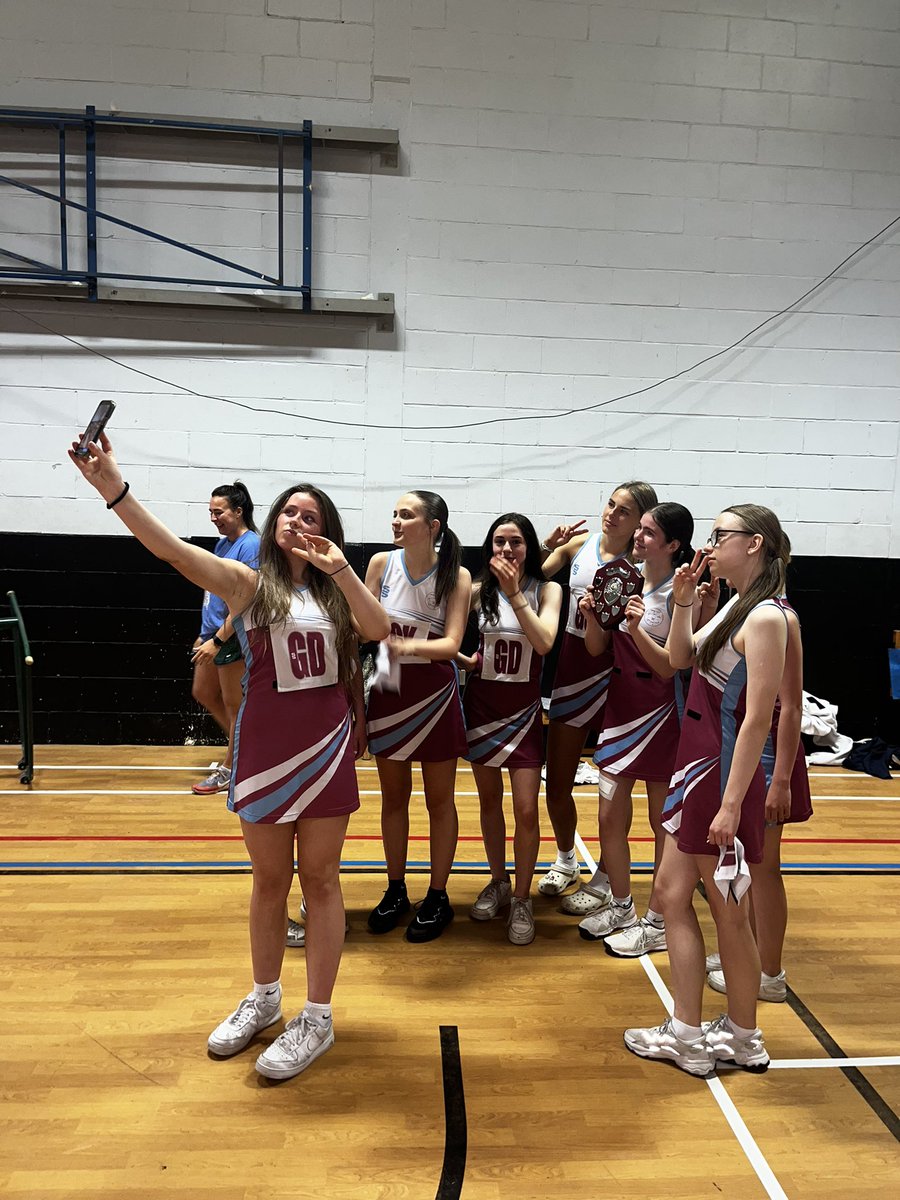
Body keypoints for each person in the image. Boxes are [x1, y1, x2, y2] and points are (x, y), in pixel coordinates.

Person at [69, 434, 389, 1081]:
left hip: (325, 754)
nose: (297, 522)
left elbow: (379, 630)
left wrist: (341, 569)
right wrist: (113, 489)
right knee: (270, 881)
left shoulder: (334, 595)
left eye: (312, 516)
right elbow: (172, 551)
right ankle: (265, 998)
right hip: (266, 756)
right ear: (272, 525)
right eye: (289, 513)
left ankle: (317, 1018)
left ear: (327, 531)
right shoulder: (249, 584)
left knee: (322, 881)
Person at [624, 505, 792, 1077]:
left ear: (756, 544)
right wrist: (684, 599)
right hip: (693, 769)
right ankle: (710, 1033)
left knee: (728, 914)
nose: (712, 543)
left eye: (723, 535)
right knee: (674, 897)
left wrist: (727, 804)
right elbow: (676, 658)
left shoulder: (767, 618)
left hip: (715, 779)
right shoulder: (735, 608)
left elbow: (757, 720)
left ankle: (717, 1036)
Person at [577, 503, 696, 956]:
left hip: (662, 713)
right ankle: (622, 904)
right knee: (609, 813)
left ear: (672, 545)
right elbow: (596, 649)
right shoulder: (620, 577)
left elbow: (671, 669)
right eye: (639, 531)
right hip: (619, 709)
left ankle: (659, 918)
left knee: (658, 821)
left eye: (649, 534)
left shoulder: (683, 593)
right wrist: (593, 617)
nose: (639, 538)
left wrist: (634, 626)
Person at [539, 481, 658, 909]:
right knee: (557, 779)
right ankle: (566, 858)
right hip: (572, 665)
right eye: (611, 504)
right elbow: (530, 574)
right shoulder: (578, 546)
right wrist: (546, 544)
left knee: (614, 789)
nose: (611, 514)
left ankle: (608, 874)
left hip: (617, 672)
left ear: (641, 522)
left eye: (624, 511)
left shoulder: (645, 569)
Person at [364, 491, 471, 942]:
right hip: (389, 686)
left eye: (406, 515)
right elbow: (362, 626)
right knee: (393, 798)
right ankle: (395, 889)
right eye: (394, 514)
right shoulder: (379, 565)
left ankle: (439, 894)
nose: (395, 521)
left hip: (434, 693)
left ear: (433, 527)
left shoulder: (456, 575)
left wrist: (405, 646)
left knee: (439, 800)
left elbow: (451, 645)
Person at [458, 514, 562, 945]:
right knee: (488, 802)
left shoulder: (547, 590)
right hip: (482, 707)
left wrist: (516, 591)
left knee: (524, 809)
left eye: (515, 542)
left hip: (522, 713)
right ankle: (499, 880)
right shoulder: (478, 592)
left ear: (529, 548)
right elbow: (444, 632)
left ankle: (522, 897)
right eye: (499, 542)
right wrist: (464, 661)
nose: (506, 549)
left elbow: (543, 642)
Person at [706, 585, 812, 1001]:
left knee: (764, 868)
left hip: (767, 756)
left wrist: (782, 778)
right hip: (740, 750)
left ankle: (770, 972)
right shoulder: (742, 606)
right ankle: (749, 955)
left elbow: (791, 706)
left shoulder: (780, 617)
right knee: (747, 867)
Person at [191, 482, 260, 796]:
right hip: (211, 635)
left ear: (238, 511)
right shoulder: (222, 546)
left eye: (218, 512)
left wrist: (218, 639)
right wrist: (204, 634)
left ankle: (232, 769)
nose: (213, 518)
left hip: (231, 637)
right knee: (203, 691)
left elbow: (246, 601)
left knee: (235, 706)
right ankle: (244, 748)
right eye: (210, 512)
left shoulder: (251, 545)